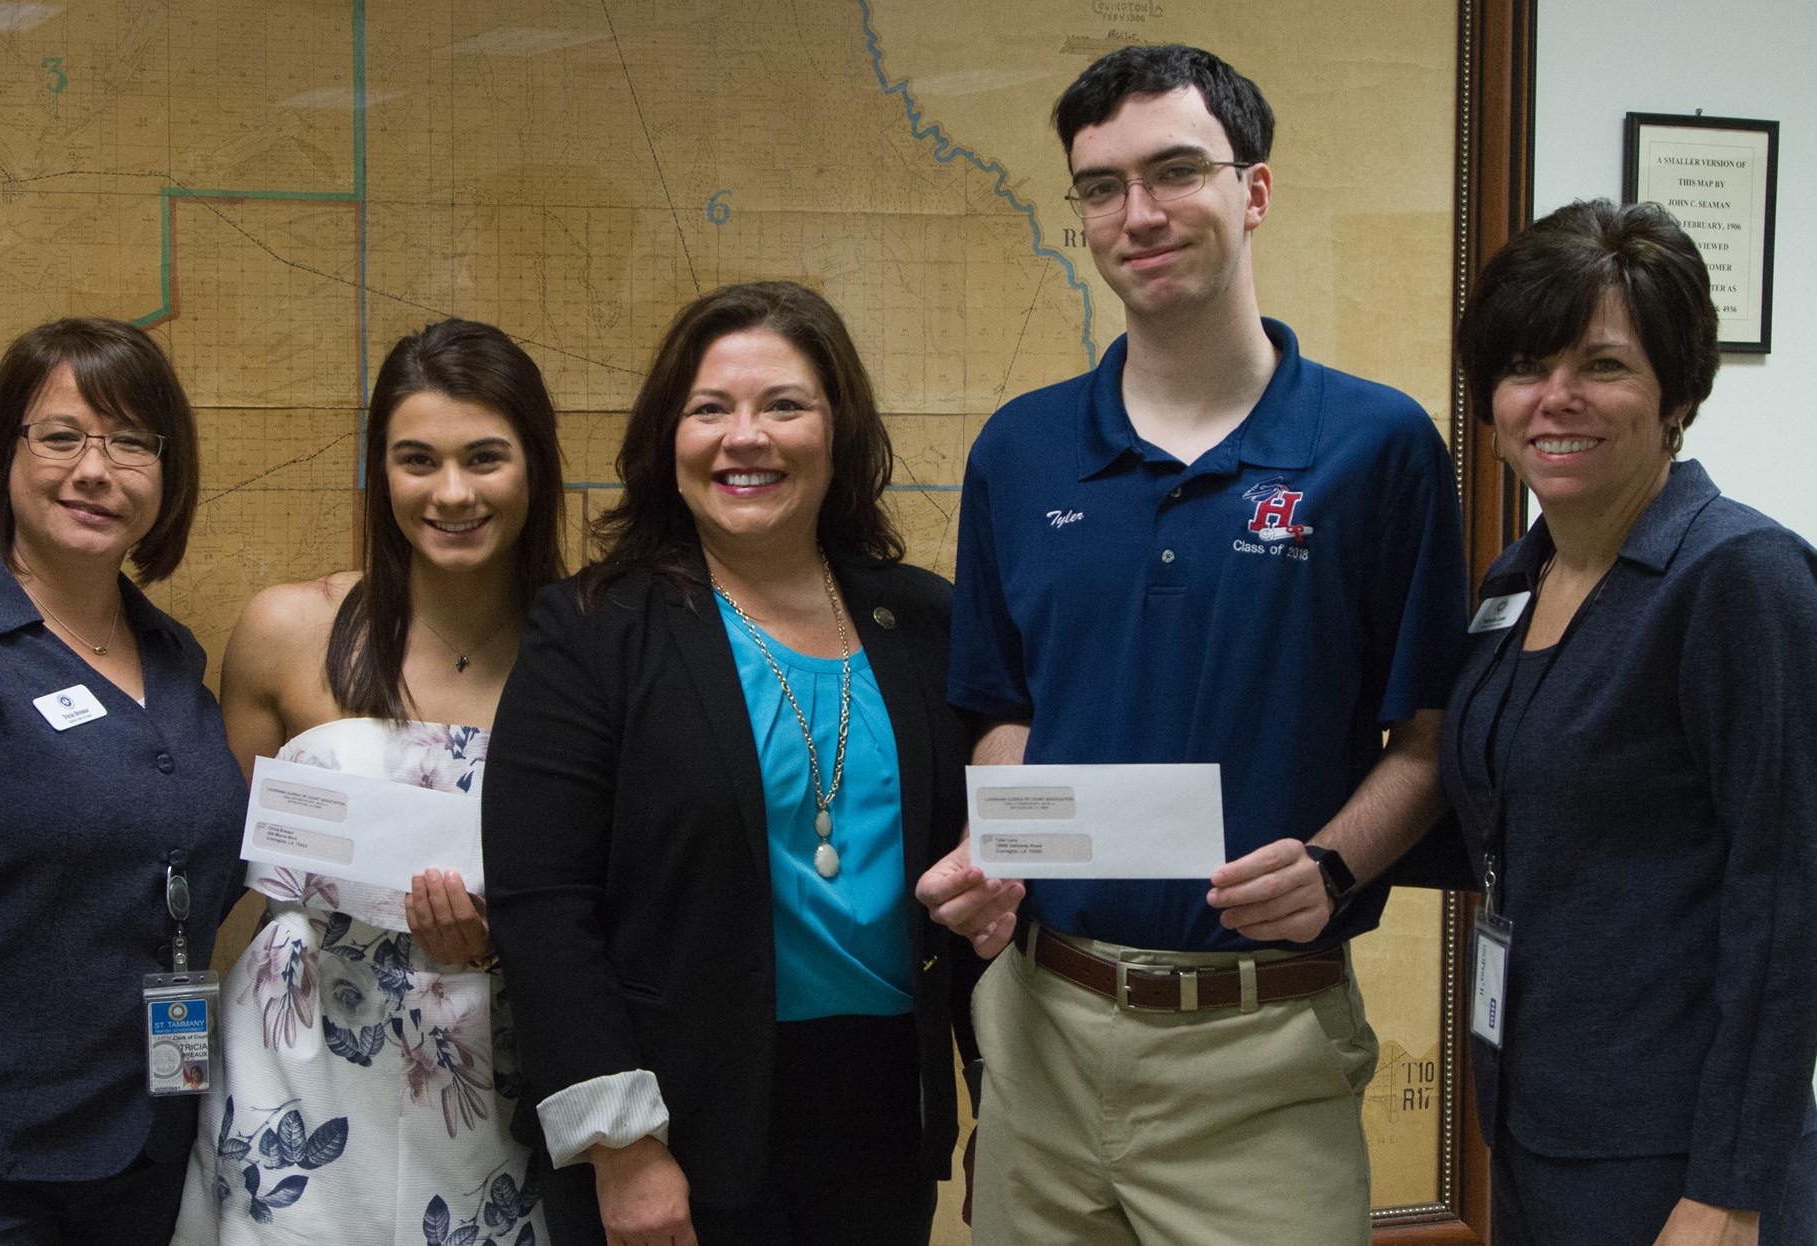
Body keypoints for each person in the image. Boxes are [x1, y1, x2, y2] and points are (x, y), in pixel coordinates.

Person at [914, 44, 1470, 1244]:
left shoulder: (1378, 449)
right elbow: (1005, 707)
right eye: (1101, 186)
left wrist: (1332, 866)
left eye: (1175, 171)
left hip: (1263, 1051)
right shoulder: (1018, 451)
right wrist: (1000, 845)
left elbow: (1430, 737)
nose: (1139, 213)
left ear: (1253, 190)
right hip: (1044, 1029)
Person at [485, 280, 974, 1246]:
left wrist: (995, 1089)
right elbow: (543, 904)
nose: (744, 438)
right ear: (668, 442)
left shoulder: (925, 622)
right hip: (674, 1121)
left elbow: (973, 883)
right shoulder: (593, 630)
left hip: (882, 1116)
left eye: (783, 406)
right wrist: (621, 1143)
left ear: (838, 432)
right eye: (709, 409)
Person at [1444, 198, 1817, 1246]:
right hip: (1536, 1124)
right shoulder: (1517, 579)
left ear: (1675, 395)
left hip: (1678, 1157)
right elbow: (1509, 812)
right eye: (1525, 366)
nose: (1555, 397)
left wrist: (1729, 1190)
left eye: (1601, 365)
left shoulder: (1739, 577)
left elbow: (1786, 900)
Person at [0, 318, 247, 1246]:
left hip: (146, 1160)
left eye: (131, 442)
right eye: (62, 436)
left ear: (167, 473)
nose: (95, 470)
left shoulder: (172, 658)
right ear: (5, 455)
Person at [171, 320, 566, 1246]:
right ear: (379, 471)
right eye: (417, 459)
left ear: (536, 468)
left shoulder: (587, 650)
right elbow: (216, 864)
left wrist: (501, 944)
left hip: (495, 1070)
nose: (452, 492)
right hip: (294, 1063)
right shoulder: (286, 631)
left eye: (485, 457)